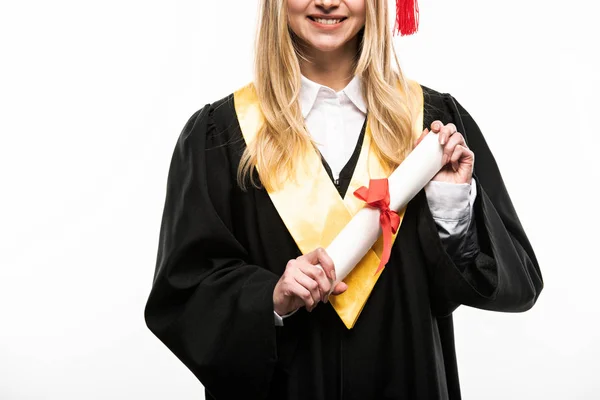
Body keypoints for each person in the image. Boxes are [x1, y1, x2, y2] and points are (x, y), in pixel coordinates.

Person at [144, 0, 543, 399]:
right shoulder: (223, 135)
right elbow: (184, 294)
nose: (328, 2)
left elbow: (509, 285)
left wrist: (450, 204)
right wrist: (270, 297)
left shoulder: (429, 128)